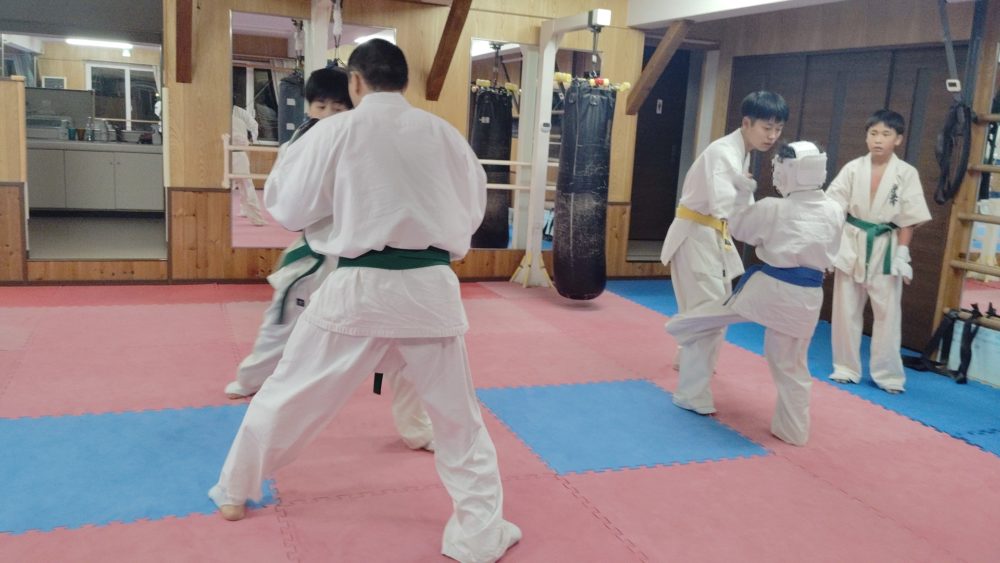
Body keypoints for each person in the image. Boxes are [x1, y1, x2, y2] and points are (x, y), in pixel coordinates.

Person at [209, 40, 521, 563]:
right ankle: (478, 533)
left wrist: (342, 210)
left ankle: (233, 491)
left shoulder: (335, 131)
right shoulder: (445, 134)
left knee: (287, 394)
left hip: (358, 290)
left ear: (355, 82)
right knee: (459, 421)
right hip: (430, 292)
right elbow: (471, 211)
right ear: (405, 81)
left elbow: (288, 206)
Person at [225, 66, 434, 452]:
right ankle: (252, 378)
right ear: (308, 107)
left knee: (403, 342)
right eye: (321, 106)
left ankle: (417, 427)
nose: (329, 115)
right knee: (282, 324)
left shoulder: (370, 142)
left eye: (339, 108)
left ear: (354, 106)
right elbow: (288, 207)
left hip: (368, 262)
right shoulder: (300, 145)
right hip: (316, 256)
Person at [666, 142, 845, 445]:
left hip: (771, 287)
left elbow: (739, 229)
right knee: (791, 365)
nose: (776, 173)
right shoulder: (835, 210)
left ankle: (679, 327)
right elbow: (834, 252)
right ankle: (794, 430)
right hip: (808, 296)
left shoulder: (775, 208)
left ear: (791, 171)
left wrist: (741, 193)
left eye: (779, 167)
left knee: (716, 313)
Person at [660, 91, 787, 414]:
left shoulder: (740, 151)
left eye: (778, 129)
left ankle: (686, 357)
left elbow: (733, 207)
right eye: (766, 128)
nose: (772, 136)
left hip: (711, 235)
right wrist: (749, 199)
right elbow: (722, 205)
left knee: (709, 309)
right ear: (747, 123)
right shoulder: (723, 153)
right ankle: (690, 393)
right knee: (709, 315)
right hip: (696, 235)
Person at [826, 109, 931, 393]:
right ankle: (845, 367)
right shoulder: (852, 168)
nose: (878, 139)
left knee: (888, 314)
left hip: (886, 245)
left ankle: (888, 375)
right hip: (851, 241)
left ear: (898, 139)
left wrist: (902, 254)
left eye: (886, 134)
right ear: (866, 137)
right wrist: (828, 248)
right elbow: (832, 210)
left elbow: (908, 218)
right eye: (873, 133)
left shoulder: (906, 173)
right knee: (845, 309)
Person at [231, 103, 267, 226]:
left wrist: (252, 139)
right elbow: (253, 126)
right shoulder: (238, 117)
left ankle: (252, 215)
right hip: (233, 155)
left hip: (235, 155)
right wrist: (252, 139)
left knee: (245, 187)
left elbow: (253, 125)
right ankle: (255, 217)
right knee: (246, 187)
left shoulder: (239, 113)